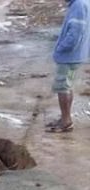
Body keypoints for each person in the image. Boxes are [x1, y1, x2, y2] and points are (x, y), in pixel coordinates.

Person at [48, 0, 90, 133]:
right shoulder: (83, 3)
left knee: (63, 87)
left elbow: (75, 34)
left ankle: (66, 121)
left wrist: (60, 49)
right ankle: (65, 118)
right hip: (75, 55)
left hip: (69, 55)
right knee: (67, 86)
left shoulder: (79, 5)